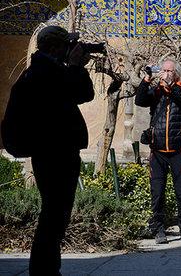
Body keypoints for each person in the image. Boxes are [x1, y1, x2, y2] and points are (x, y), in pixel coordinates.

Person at [17, 25, 94, 275]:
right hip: (54, 153)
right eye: (65, 45)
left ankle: (47, 268)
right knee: (54, 214)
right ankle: (43, 270)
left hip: (53, 152)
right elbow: (83, 93)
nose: (69, 50)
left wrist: (72, 68)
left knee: (55, 213)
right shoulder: (44, 72)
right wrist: (75, 67)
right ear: (54, 47)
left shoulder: (44, 70)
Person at [135, 58, 181, 244]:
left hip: (178, 151)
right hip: (158, 152)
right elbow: (140, 100)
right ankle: (158, 229)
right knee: (157, 192)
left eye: (169, 71)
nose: (165, 73)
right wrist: (147, 79)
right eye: (163, 70)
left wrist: (171, 86)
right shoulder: (156, 92)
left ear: (176, 73)